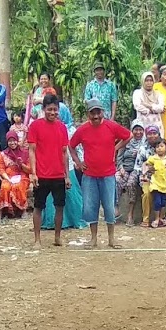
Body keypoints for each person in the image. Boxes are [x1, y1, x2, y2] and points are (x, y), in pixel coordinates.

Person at [69, 102, 131, 249]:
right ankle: (93, 239)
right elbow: (71, 145)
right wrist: (78, 162)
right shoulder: (82, 129)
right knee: (90, 207)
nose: (96, 116)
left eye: (98, 112)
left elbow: (128, 135)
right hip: (89, 175)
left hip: (108, 174)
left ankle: (111, 239)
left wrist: (115, 148)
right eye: (92, 113)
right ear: (88, 114)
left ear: (102, 112)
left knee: (109, 206)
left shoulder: (111, 126)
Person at [26, 95, 73, 248]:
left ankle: (57, 237)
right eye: (49, 109)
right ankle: (37, 239)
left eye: (55, 109)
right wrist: (33, 173)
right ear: (43, 109)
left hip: (58, 174)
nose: (52, 112)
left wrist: (67, 176)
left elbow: (64, 152)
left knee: (60, 206)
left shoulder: (62, 127)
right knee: (39, 206)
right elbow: (32, 151)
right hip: (42, 174)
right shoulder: (35, 126)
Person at [142, 138, 166, 228]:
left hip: (165, 179)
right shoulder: (145, 150)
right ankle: (146, 219)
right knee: (147, 194)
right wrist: (147, 170)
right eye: (157, 146)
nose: (159, 148)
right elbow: (144, 166)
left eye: (154, 133)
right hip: (151, 178)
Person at [0, 127, 32, 218]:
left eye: (14, 140)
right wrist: (8, 178)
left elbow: (30, 169)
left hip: (22, 176)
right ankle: (0, 212)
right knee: (5, 187)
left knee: (18, 186)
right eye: (10, 141)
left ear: (17, 140)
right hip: (8, 177)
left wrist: (21, 164)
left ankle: (23, 210)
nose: (12, 143)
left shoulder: (25, 153)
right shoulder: (3, 154)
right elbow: (1, 168)